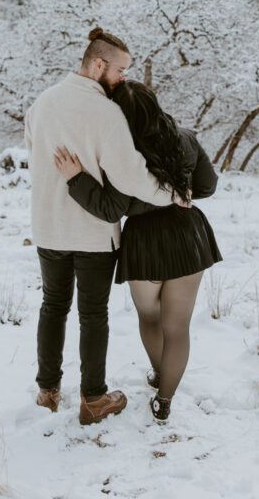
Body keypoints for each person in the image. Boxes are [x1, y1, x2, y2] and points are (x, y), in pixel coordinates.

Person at [25, 28, 175, 426]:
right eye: (121, 69)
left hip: (48, 224)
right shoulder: (106, 113)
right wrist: (171, 195)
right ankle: (93, 399)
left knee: (52, 307)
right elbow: (131, 177)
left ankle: (48, 391)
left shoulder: (42, 103)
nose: (124, 77)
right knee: (93, 314)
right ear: (98, 64)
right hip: (92, 230)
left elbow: (33, 153)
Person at [54, 79, 221, 423]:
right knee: (178, 327)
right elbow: (207, 185)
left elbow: (110, 208)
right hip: (187, 236)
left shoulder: (122, 153)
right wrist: (180, 193)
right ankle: (164, 398)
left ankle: (160, 374)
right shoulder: (185, 137)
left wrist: (76, 179)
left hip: (144, 244)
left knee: (150, 317)